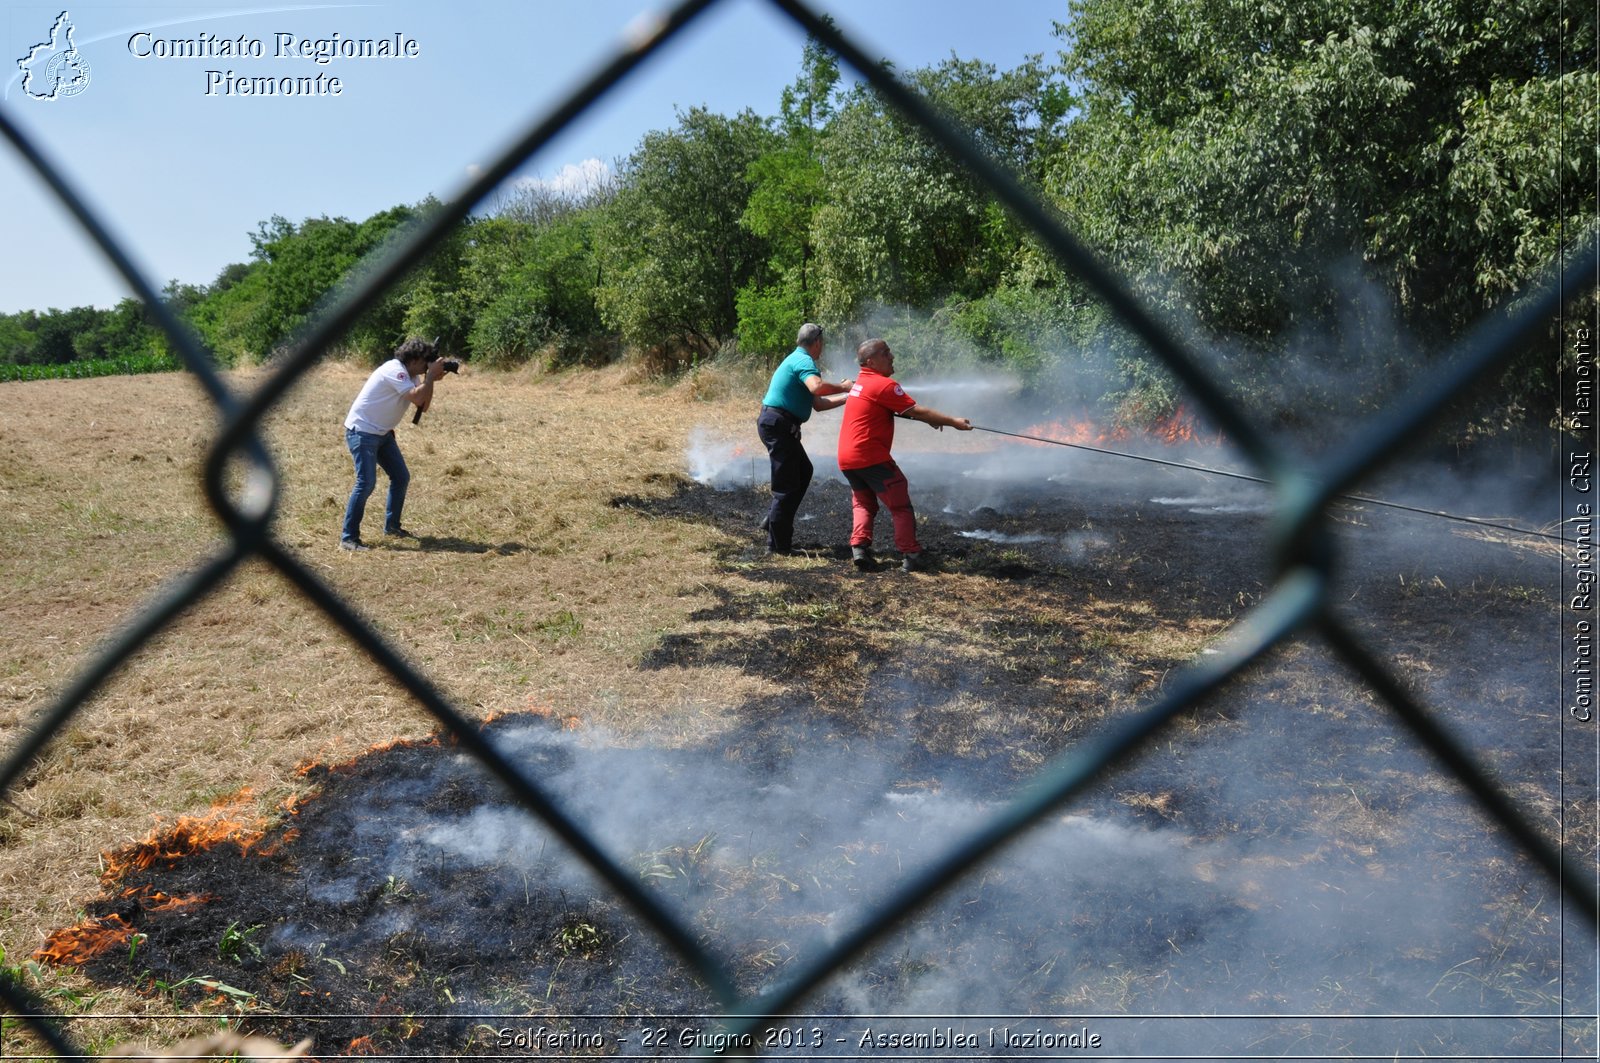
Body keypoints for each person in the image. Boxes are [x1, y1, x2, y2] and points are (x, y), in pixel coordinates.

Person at [836, 338, 971, 572]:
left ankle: (859, 549)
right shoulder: (884, 385)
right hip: (870, 456)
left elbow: (891, 409)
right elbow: (917, 410)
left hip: (847, 458)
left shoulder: (861, 384)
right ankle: (912, 554)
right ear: (871, 361)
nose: (892, 356)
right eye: (885, 353)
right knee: (899, 503)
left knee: (864, 503)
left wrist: (929, 420)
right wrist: (953, 422)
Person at [339, 337, 449, 551]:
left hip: (382, 434)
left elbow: (423, 405)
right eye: (425, 361)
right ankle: (348, 538)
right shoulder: (394, 369)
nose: (426, 365)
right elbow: (417, 398)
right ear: (414, 359)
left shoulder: (413, 375)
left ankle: (392, 527)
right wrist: (430, 378)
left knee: (401, 477)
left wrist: (431, 380)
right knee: (366, 483)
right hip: (363, 432)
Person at [756, 322, 853, 555]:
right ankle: (778, 546)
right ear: (817, 342)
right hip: (779, 425)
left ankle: (773, 521)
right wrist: (843, 385)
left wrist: (847, 397)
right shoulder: (804, 361)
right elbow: (817, 388)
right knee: (786, 486)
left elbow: (818, 404)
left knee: (802, 472)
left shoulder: (797, 359)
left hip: (778, 424)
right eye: (823, 344)